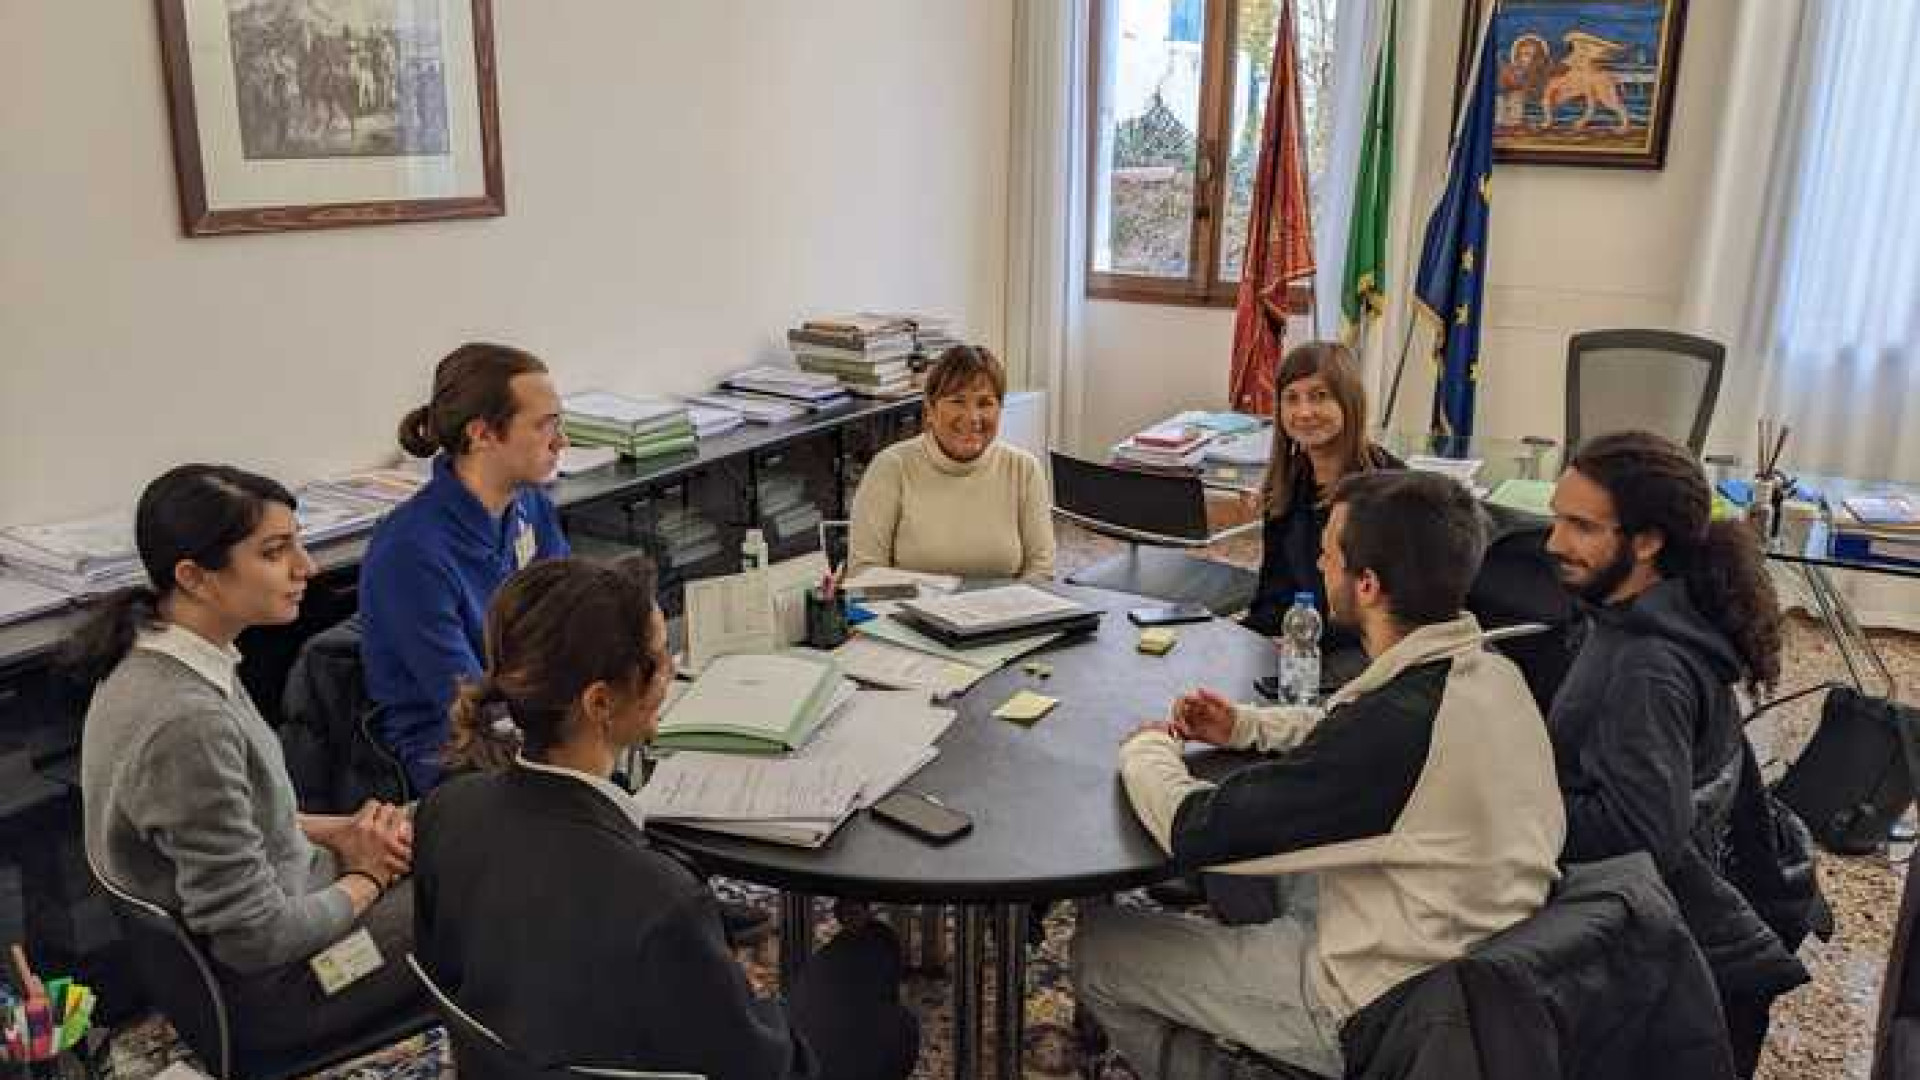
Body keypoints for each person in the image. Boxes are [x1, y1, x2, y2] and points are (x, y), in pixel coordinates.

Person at [1073, 470, 1564, 1079]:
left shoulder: (1391, 733)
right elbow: (1348, 721)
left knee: (1101, 948)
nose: (1318, 560)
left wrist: (1148, 749)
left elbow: (1196, 829)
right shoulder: (1491, 673)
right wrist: (1244, 727)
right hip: (1461, 950)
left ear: (1367, 584)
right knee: (1259, 883)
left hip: (1375, 998)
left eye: (1329, 551)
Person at [412, 556, 919, 1080]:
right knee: (874, 978)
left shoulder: (447, 813)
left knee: (856, 965)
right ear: (600, 701)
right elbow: (771, 1068)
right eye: (657, 658)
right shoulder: (660, 901)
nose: (671, 669)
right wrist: (744, 994)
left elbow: (452, 975)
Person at [75, 465, 421, 1058]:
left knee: (472, 818)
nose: (306, 567)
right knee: (496, 885)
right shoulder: (187, 723)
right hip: (290, 987)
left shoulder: (158, 659)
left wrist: (338, 832)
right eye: (275, 551)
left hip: (299, 906)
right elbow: (254, 941)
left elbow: (234, 820)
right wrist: (370, 877)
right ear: (195, 577)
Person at [1544, 431, 1814, 1076]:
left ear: (1647, 541)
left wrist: (1516, 801)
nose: (1555, 542)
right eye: (1557, 518)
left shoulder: (1647, 667)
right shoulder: (1652, 615)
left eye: (1581, 526)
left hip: (1652, 955)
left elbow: (1641, 835)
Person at [360, 341, 570, 795]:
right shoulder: (409, 550)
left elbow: (572, 620)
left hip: (529, 720)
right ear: (482, 435)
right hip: (452, 753)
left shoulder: (530, 505)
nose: (561, 442)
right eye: (543, 427)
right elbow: (470, 706)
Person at [848, 345, 1055, 581]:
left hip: (1004, 614)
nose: (972, 417)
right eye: (958, 401)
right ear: (930, 409)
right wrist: (947, 594)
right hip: (909, 615)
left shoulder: (1024, 469)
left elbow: (1041, 569)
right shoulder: (891, 467)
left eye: (985, 403)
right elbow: (864, 572)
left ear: (1000, 409)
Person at [1243, 341, 1401, 639]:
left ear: (1349, 402)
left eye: (1320, 396)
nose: (1304, 412)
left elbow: (1389, 615)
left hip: (1365, 652)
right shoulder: (1286, 483)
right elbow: (1273, 597)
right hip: (1302, 642)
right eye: (1291, 398)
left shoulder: (1388, 490)